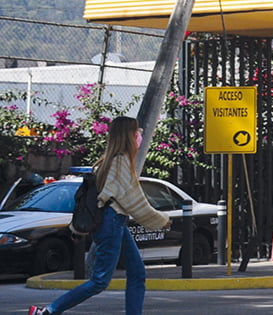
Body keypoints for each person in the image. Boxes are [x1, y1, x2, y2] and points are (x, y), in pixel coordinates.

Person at [29, 117, 170, 315]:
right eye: (136, 132)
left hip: (115, 222)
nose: (140, 136)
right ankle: (49, 311)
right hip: (112, 223)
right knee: (99, 281)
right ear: (127, 136)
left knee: (137, 273)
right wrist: (160, 220)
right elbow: (133, 199)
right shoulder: (120, 162)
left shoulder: (111, 160)